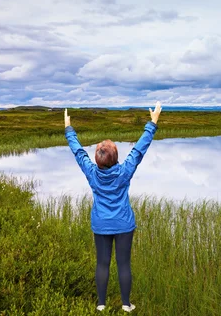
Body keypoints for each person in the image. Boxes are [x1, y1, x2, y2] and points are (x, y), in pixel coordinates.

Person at [64, 102, 162, 313]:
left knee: (102, 263)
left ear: (98, 160)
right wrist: (153, 122)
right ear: (115, 158)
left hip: (101, 223)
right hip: (124, 223)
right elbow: (139, 149)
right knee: (123, 264)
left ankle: (101, 304)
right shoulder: (124, 170)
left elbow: (78, 151)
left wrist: (68, 129)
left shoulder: (91, 171)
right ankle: (126, 305)